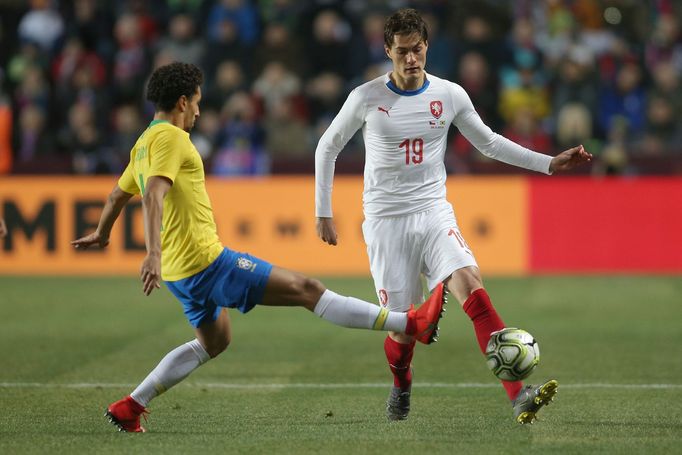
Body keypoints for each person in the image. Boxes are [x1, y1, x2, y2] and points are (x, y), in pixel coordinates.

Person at [71, 62, 446, 433]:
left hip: (178, 272)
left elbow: (118, 194)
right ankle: (411, 322)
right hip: (204, 263)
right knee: (307, 289)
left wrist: (104, 234)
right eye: (197, 103)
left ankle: (131, 406)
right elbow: (152, 193)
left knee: (215, 342)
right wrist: (150, 252)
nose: (199, 112)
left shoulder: (143, 143)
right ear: (182, 102)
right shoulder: (171, 138)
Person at [314, 8, 592, 424]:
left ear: (427, 47)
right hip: (386, 221)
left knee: (472, 284)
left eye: (418, 49)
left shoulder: (448, 94)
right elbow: (327, 147)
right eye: (402, 51)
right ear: (388, 50)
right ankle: (401, 383)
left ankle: (519, 395)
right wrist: (323, 212)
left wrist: (549, 163)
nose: (412, 59)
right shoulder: (366, 98)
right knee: (402, 329)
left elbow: (490, 144)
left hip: (432, 211)